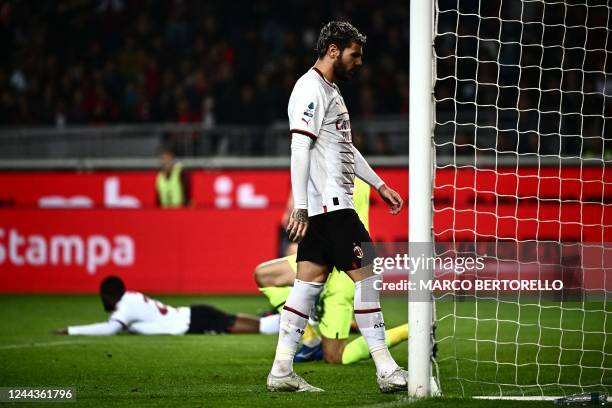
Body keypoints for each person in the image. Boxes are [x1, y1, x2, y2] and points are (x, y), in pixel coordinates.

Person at [266, 21, 405, 393]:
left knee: (305, 288)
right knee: (369, 276)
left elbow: (345, 149)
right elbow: (299, 148)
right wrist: (300, 206)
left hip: (325, 209)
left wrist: (378, 184)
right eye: (354, 54)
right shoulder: (310, 88)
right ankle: (387, 369)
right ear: (333, 50)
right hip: (332, 207)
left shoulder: (332, 91)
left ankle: (281, 369)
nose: (359, 61)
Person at [255, 177, 408, 365]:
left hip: (346, 261)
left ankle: (415, 330)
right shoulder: (354, 169)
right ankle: (310, 340)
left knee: (335, 356)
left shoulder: (323, 171)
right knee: (265, 275)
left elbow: (294, 217)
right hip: (338, 253)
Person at [53, 276, 279, 336]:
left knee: (252, 327)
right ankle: (282, 320)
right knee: (232, 321)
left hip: (192, 320)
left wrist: (72, 330)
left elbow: (110, 328)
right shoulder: (130, 299)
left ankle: (287, 322)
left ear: (109, 295)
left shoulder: (125, 307)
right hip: (192, 315)